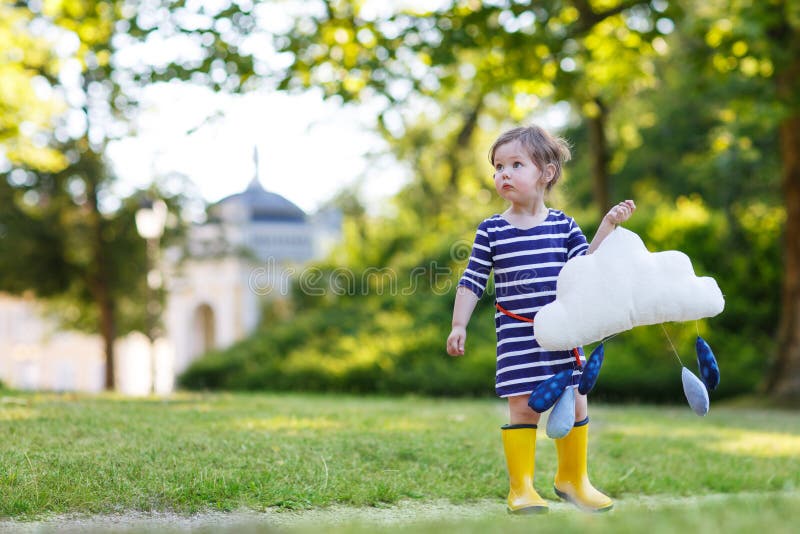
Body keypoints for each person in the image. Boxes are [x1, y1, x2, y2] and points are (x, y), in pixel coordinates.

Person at [446, 125, 635, 514]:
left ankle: (573, 480)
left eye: (516, 164)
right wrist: (458, 325)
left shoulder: (562, 225)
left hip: (564, 334)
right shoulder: (492, 230)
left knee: (577, 402)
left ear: (546, 173)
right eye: (498, 166)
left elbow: (585, 267)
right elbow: (472, 281)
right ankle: (522, 488)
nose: (504, 173)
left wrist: (607, 226)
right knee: (523, 408)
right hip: (518, 337)